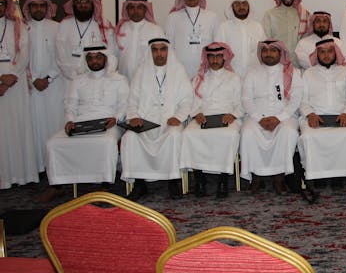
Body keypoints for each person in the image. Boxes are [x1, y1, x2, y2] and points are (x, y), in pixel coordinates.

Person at [46, 45, 128, 188]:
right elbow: (70, 104)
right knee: (53, 143)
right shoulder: (77, 80)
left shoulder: (119, 79)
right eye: (90, 58)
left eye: (98, 57)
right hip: (81, 121)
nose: (94, 61)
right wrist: (69, 121)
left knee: (107, 142)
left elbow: (124, 103)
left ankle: (105, 183)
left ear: (106, 58)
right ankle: (57, 186)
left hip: (109, 122)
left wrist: (116, 118)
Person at [121, 38, 193, 200]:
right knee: (130, 137)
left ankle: (173, 180)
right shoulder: (141, 71)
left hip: (170, 118)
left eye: (163, 49)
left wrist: (178, 117)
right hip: (146, 119)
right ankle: (139, 183)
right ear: (150, 52)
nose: (159, 54)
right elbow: (132, 100)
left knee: (174, 135)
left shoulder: (178, 70)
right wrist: (134, 117)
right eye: (155, 50)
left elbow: (187, 99)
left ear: (168, 51)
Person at [179, 42, 243, 198]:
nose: (215, 60)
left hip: (227, 117)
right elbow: (191, 101)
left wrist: (233, 115)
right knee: (189, 134)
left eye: (218, 56)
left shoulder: (234, 78)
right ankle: (199, 179)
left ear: (224, 57)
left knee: (229, 135)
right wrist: (196, 114)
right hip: (204, 117)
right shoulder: (199, 78)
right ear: (206, 58)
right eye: (211, 57)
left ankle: (223, 179)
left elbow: (241, 103)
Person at [240, 40, 304, 194]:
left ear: (280, 53)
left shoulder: (292, 72)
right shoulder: (252, 72)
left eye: (273, 50)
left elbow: (296, 99)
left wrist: (279, 118)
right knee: (247, 132)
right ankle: (256, 177)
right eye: (265, 50)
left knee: (288, 132)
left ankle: (279, 178)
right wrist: (259, 118)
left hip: (284, 115)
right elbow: (246, 99)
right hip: (257, 115)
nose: (268, 54)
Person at [298, 38, 346, 188]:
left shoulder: (345, 72)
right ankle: (317, 175)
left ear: (335, 53)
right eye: (322, 52)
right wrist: (310, 114)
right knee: (309, 136)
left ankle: (339, 175)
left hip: (341, 115)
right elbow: (302, 100)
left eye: (330, 51)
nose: (326, 55)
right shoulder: (308, 74)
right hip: (315, 116)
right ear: (317, 54)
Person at [23, 0, 66, 177]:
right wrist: (32, 79)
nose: (38, 9)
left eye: (42, 5)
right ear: (28, 8)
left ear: (48, 7)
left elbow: (62, 57)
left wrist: (48, 78)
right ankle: (39, 167)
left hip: (54, 85)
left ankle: (57, 167)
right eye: (34, 6)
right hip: (31, 87)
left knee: (55, 125)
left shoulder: (57, 28)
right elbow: (20, 59)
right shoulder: (22, 29)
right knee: (35, 127)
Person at [0, 0, 38, 188]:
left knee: (16, 128)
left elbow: (24, 54)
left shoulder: (19, 26)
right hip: (2, 82)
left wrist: (10, 78)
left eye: (1, 3)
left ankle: (20, 175)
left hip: (15, 84)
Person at [56, 0, 117, 83]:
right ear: (73, 5)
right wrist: (74, 76)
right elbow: (60, 53)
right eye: (79, 2)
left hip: (98, 79)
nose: (83, 5)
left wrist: (101, 75)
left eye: (87, 2)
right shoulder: (65, 24)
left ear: (92, 4)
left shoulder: (103, 24)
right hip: (71, 80)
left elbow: (111, 51)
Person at [165, 0, 218, 77]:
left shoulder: (212, 17)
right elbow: (169, 46)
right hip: (180, 71)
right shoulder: (173, 17)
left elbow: (216, 46)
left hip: (205, 71)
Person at [115, 0, 165, 81]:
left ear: (145, 9)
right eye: (131, 8)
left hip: (147, 80)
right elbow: (114, 56)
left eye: (139, 8)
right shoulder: (120, 29)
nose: (135, 11)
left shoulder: (155, 30)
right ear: (126, 9)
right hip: (124, 80)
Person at [214, 0, 265, 77]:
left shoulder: (257, 27)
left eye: (244, 3)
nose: (241, 7)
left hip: (255, 75)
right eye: (237, 4)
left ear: (249, 6)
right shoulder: (224, 27)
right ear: (232, 7)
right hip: (231, 75)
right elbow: (218, 53)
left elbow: (264, 51)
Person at [262, 0, 310, 67]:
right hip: (277, 66)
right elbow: (267, 42)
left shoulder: (304, 15)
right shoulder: (270, 15)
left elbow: (306, 43)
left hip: (298, 65)